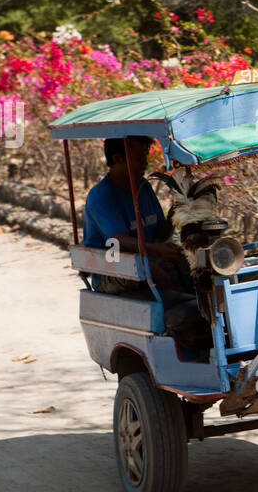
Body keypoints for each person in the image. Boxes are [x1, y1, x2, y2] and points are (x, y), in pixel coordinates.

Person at [83, 136, 211, 354]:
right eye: (139, 157)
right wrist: (156, 253)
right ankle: (190, 320)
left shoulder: (143, 188)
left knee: (196, 269)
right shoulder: (101, 196)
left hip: (146, 260)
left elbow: (160, 232)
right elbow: (119, 240)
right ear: (118, 158)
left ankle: (205, 310)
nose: (145, 162)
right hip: (114, 271)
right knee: (177, 295)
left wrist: (176, 210)